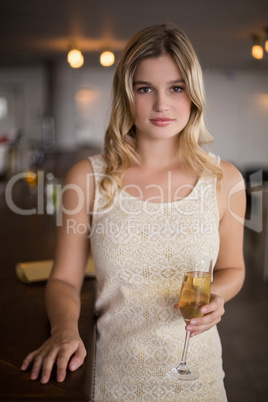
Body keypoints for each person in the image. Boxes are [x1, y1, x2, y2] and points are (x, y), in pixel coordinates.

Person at [21, 23, 246, 401]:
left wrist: (217, 297)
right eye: (146, 89)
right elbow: (63, 280)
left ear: (193, 94)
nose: (162, 105)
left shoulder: (224, 179)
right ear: (127, 95)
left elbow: (233, 269)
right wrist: (64, 331)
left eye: (176, 88)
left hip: (198, 377)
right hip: (114, 376)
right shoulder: (88, 178)